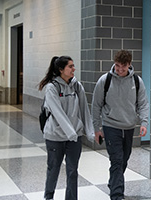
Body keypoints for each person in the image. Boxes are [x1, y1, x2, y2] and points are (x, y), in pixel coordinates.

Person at [92, 50, 149, 200]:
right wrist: (97, 128)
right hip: (111, 126)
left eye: (123, 66)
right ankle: (117, 195)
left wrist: (144, 122)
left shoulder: (137, 81)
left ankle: (113, 182)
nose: (120, 69)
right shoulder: (105, 80)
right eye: (117, 66)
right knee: (116, 159)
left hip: (129, 127)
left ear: (129, 65)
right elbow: (96, 106)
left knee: (124, 158)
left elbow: (143, 104)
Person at [38, 56, 94, 200]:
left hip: (74, 137)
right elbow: (58, 113)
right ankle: (48, 196)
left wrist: (89, 131)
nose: (73, 69)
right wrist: (70, 132)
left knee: (72, 171)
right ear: (61, 70)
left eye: (73, 65)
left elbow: (84, 110)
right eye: (70, 66)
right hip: (55, 136)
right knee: (54, 169)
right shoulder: (52, 88)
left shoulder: (77, 86)